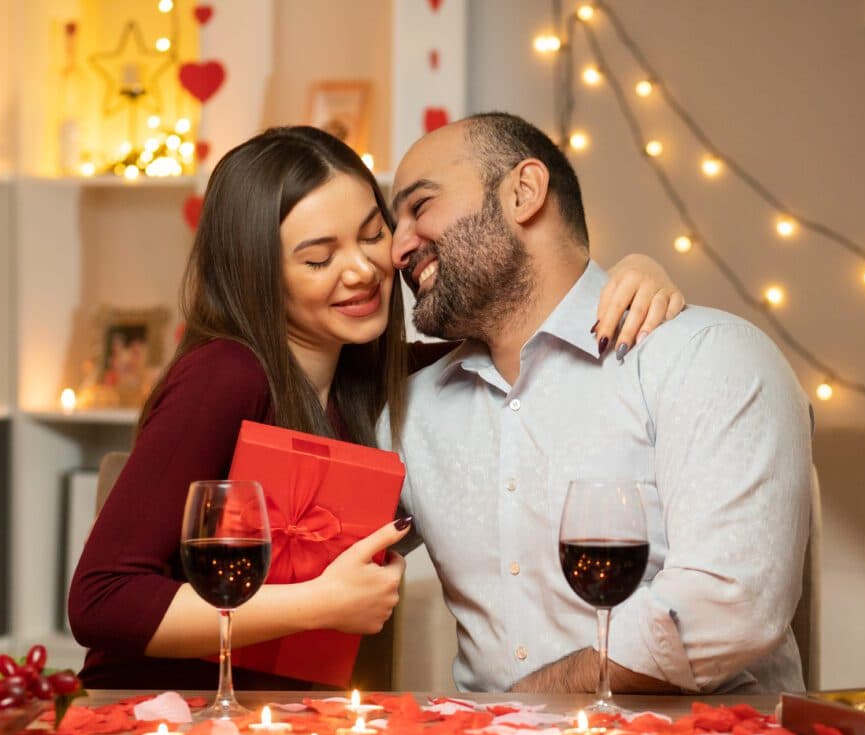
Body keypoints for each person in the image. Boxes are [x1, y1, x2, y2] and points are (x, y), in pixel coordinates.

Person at [68, 125, 685, 690]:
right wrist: (321, 603)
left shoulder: (392, 380)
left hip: (289, 725)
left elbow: (525, 332)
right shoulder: (224, 376)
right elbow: (101, 600)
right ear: (258, 273)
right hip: (159, 715)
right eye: (318, 258)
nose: (363, 270)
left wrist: (633, 274)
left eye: (372, 235)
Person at [380, 112, 812, 695]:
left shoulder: (705, 358)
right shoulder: (411, 414)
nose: (396, 247)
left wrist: (526, 707)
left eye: (419, 206)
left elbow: (728, 605)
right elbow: (305, 556)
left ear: (523, 193)